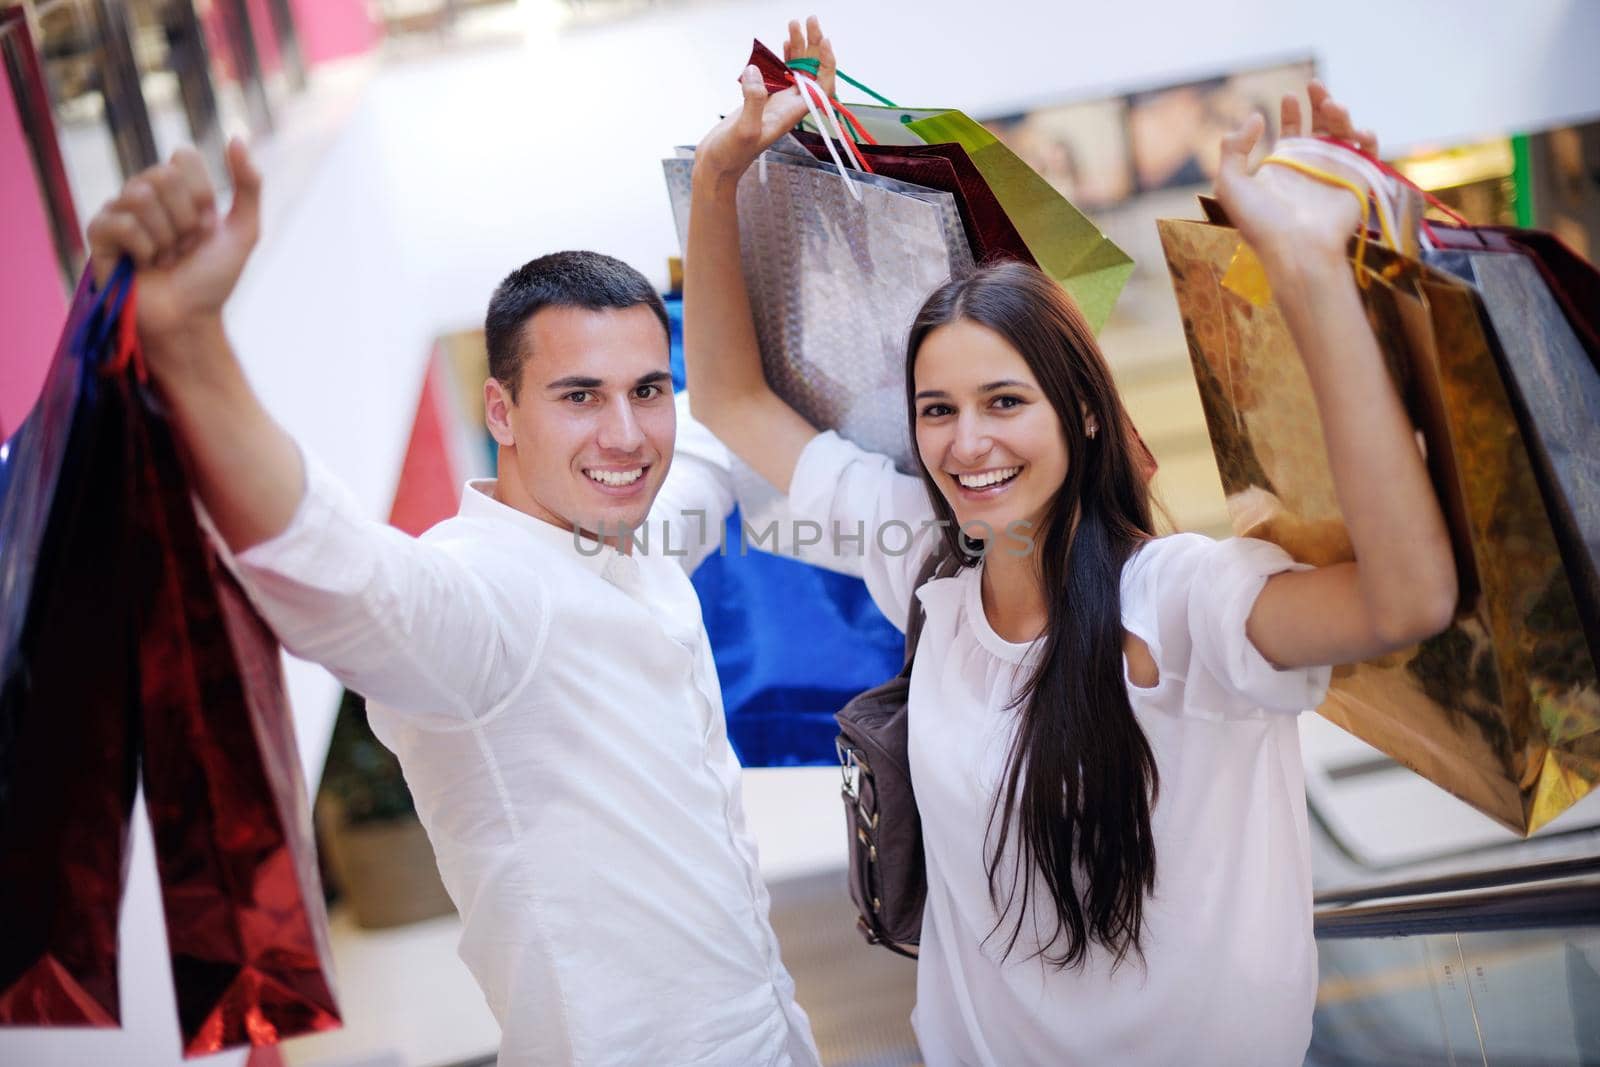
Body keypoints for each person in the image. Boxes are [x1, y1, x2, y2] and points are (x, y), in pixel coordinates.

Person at [685, 18, 1455, 1066]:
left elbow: (1404, 599)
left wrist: (1310, 270)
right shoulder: (926, 556)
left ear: (1082, 412)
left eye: (1005, 400)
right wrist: (728, 174)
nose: (967, 443)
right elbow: (732, 396)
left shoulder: (1176, 598)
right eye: (937, 409)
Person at [84, 141, 820, 1066]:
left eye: (646, 391)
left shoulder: (633, 529)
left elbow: (725, 419)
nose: (626, 433)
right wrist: (189, 342)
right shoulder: (485, 599)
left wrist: (723, 182)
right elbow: (343, 579)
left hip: (773, 1032)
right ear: (502, 412)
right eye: (579, 396)